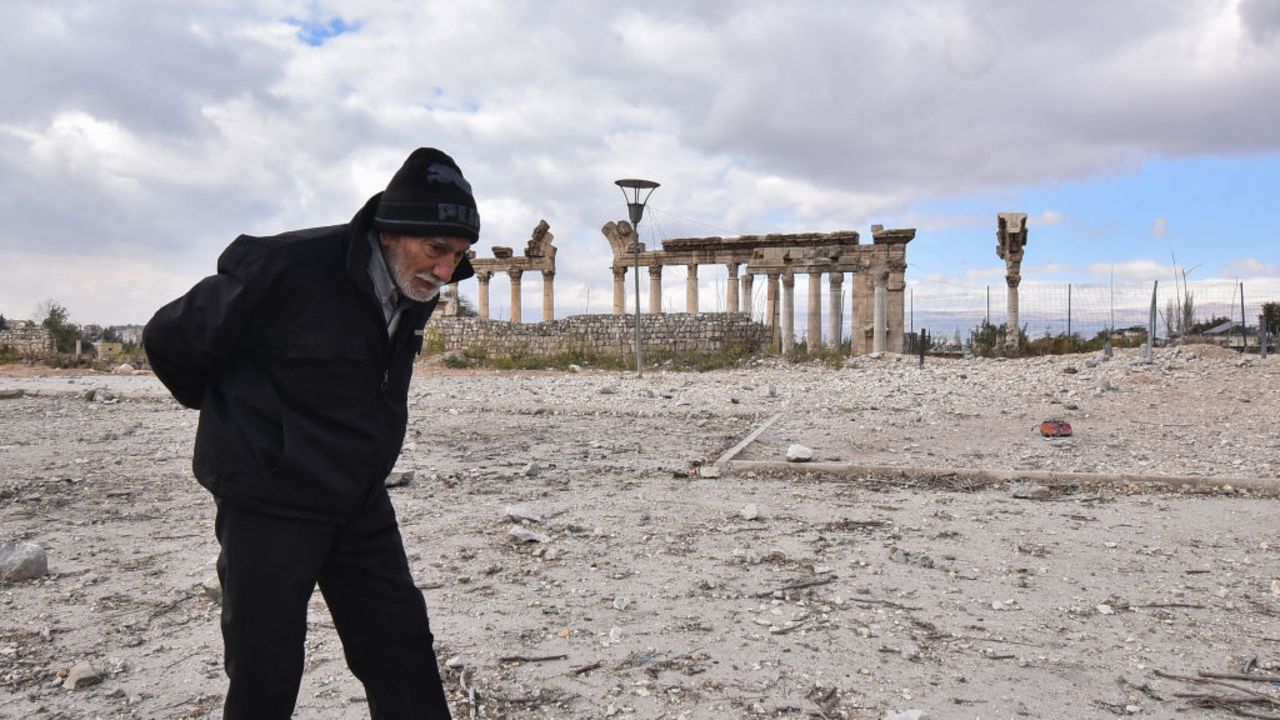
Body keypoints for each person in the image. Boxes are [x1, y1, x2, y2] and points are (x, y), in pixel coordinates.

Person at [144, 147, 479, 719]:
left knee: (401, 651)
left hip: (359, 499)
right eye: (437, 250)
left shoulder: (414, 286)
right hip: (270, 502)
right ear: (390, 231)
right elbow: (170, 340)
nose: (447, 271)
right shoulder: (286, 267)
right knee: (264, 670)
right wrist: (250, 431)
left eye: (458, 256)